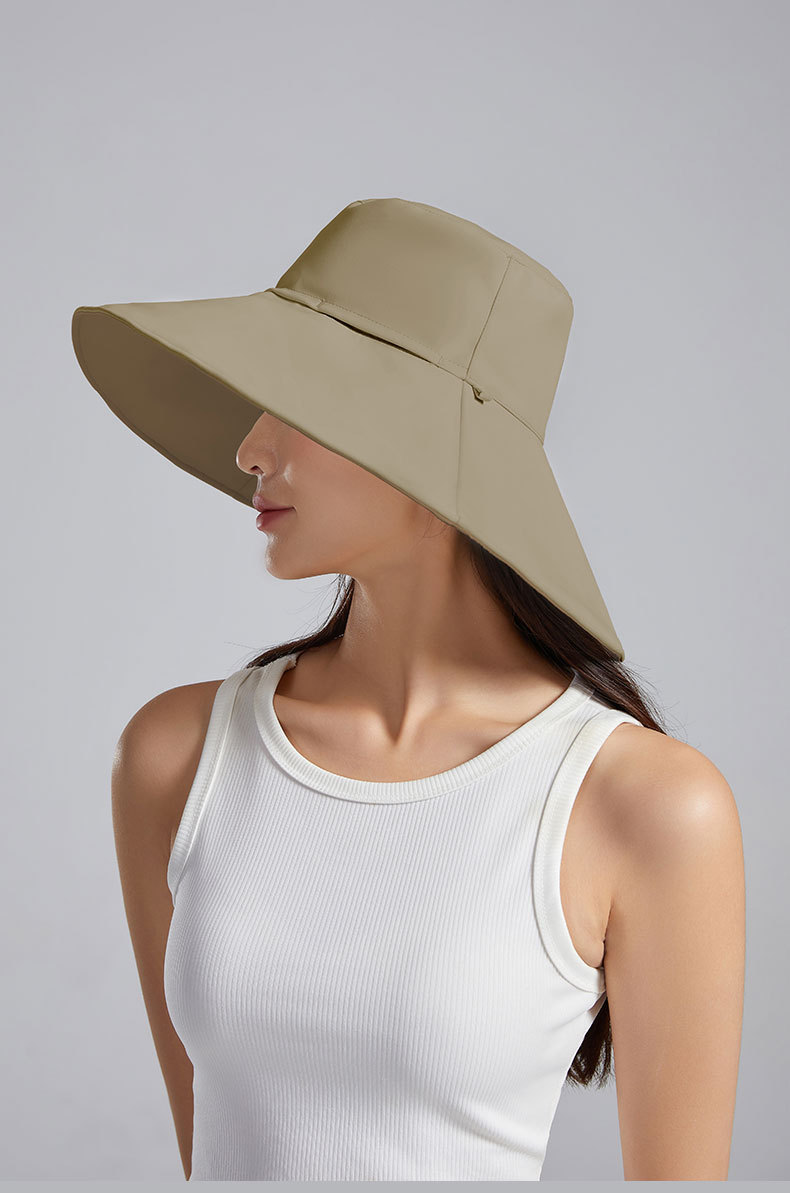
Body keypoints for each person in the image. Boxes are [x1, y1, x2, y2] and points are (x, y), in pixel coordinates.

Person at [73, 197, 745, 1181]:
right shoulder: (176, 755)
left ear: (427, 445)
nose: (250, 447)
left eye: (295, 398)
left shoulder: (645, 805)